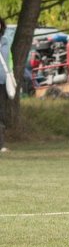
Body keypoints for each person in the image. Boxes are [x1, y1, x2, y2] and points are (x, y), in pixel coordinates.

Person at [0, 17, 9, 153]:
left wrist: (10, 75)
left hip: (1, 81)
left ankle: (1, 145)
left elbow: (9, 59)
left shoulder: (5, 41)